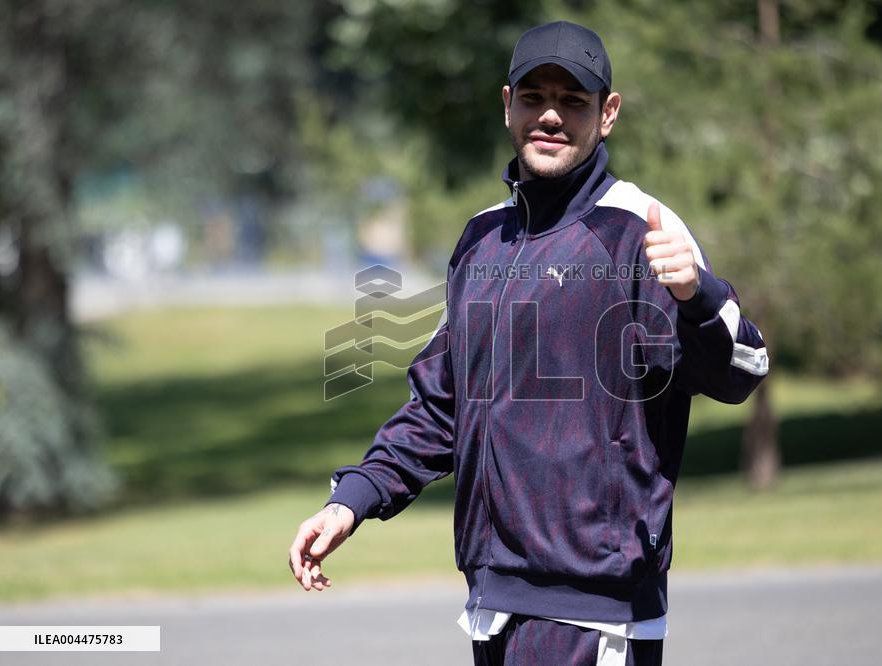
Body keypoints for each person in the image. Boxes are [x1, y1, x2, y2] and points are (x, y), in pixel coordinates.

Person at [289, 20, 769, 666]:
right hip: (492, 608)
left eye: (573, 101)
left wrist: (699, 296)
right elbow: (439, 407)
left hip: (595, 617)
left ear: (608, 114)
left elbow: (743, 366)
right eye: (534, 97)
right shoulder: (481, 241)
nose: (550, 115)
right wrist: (352, 501)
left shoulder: (638, 231)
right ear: (506, 104)